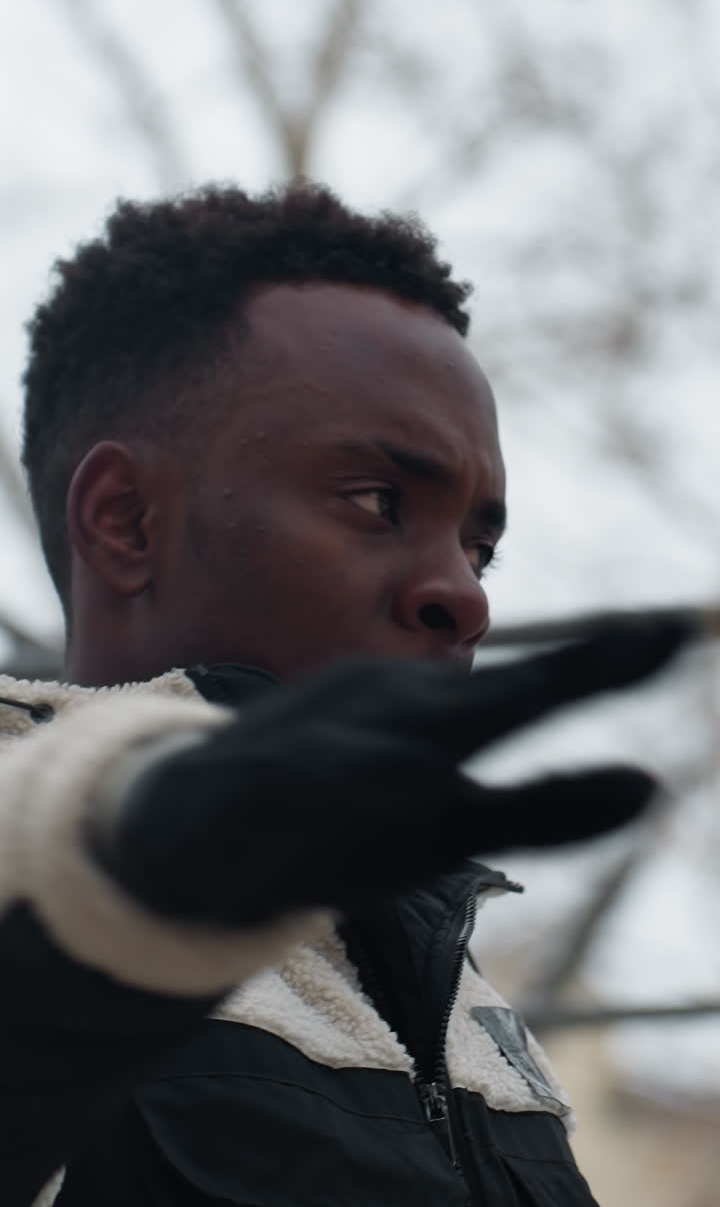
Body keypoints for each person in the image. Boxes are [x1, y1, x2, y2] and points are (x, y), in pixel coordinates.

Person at [0, 183, 689, 1206]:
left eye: (480, 545)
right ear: (126, 520)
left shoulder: (471, 1011)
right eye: (378, 500)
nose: (463, 592)